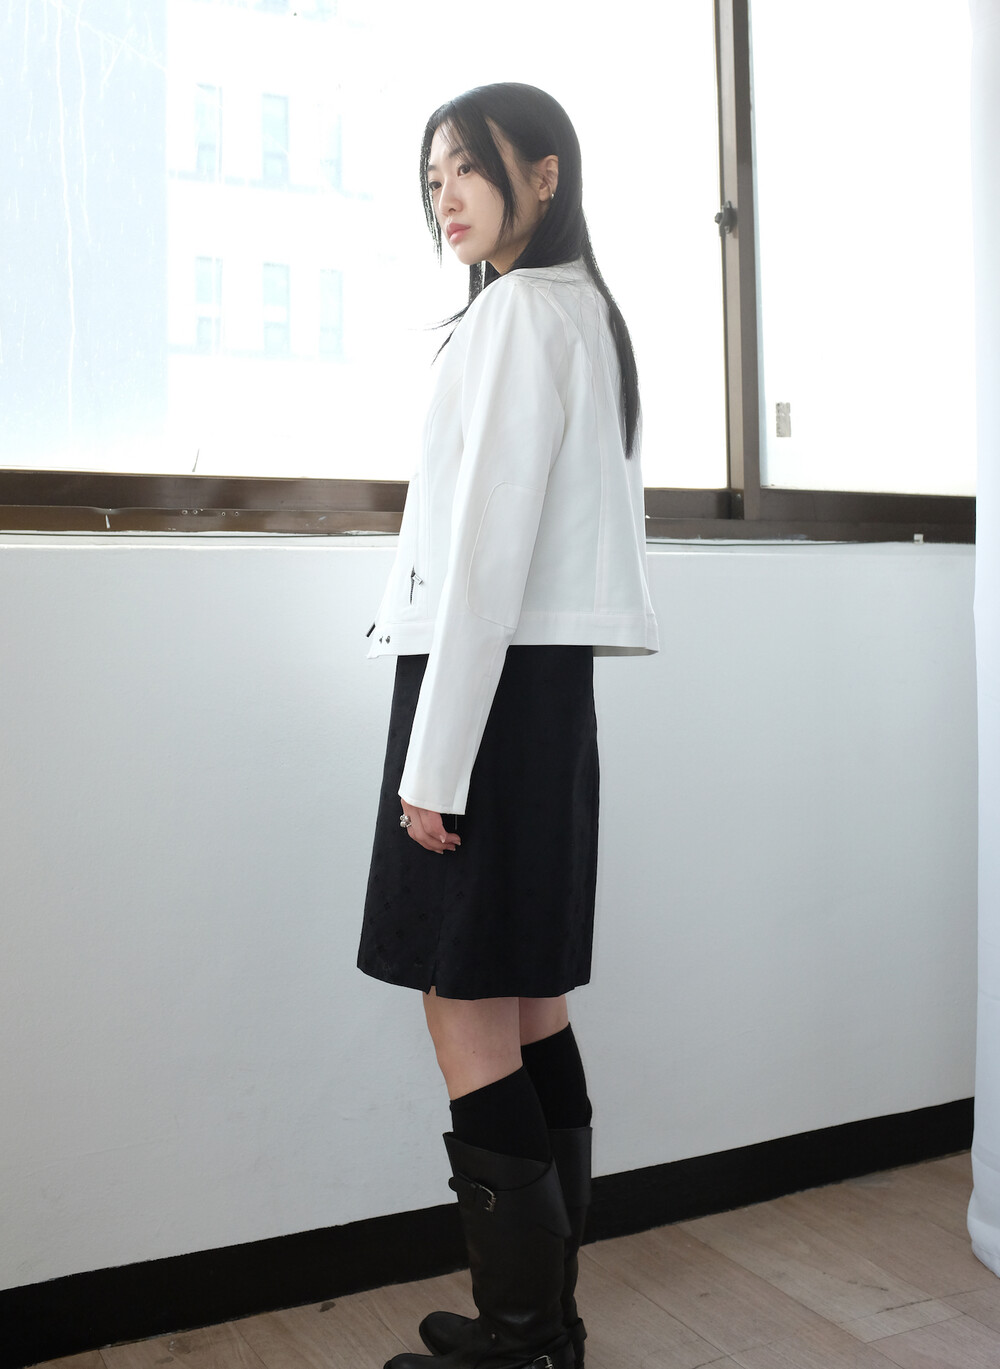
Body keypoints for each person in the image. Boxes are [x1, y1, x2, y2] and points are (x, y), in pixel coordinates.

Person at [358, 82, 658, 1369]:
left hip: (479, 692)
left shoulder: (521, 315)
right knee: (529, 1001)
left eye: (467, 168)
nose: (446, 196)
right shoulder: (580, 311)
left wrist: (434, 764)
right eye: (432, 178)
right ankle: (545, 1327)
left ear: (544, 171)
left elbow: (483, 557)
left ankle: (523, 1337)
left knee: (466, 1003)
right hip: (539, 695)